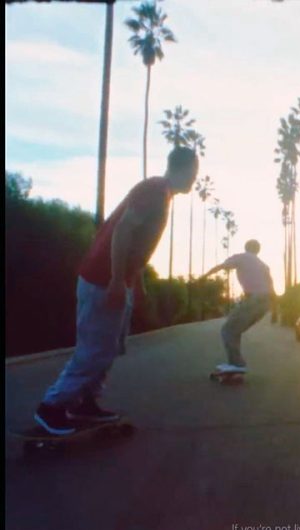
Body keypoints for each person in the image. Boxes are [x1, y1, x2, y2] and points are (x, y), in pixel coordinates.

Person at [35, 147, 199, 434]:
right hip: (102, 279)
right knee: (95, 348)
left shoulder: (162, 194)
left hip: (117, 279)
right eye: (194, 174)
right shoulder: (155, 190)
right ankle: (51, 407)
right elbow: (123, 230)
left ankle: (84, 401)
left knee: (110, 346)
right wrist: (115, 280)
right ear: (183, 169)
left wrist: (136, 282)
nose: (194, 181)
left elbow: (137, 243)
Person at [202, 239, 277, 375]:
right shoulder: (264, 265)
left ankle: (237, 363)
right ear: (258, 250)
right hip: (265, 304)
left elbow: (221, 267)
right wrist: (275, 311)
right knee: (234, 330)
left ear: (246, 247)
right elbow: (271, 287)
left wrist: (204, 276)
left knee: (227, 330)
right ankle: (235, 362)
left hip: (253, 300)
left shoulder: (241, 257)